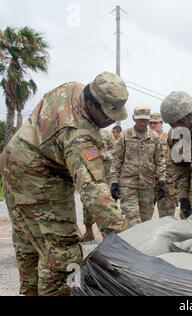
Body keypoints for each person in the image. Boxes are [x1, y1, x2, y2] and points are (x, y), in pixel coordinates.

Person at [0, 72, 130, 296]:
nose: (112, 120)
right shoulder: (77, 134)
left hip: (11, 163)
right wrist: (125, 238)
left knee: (30, 242)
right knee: (63, 250)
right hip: (38, 175)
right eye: (108, 114)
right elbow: (93, 190)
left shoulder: (75, 88)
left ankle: (32, 290)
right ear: (91, 103)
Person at [111, 107, 166, 227]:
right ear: (134, 119)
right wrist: (114, 181)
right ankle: (131, 244)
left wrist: (162, 181)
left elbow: (159, 160)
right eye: (140, 120)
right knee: (133, 219)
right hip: (128, 184)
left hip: (147, 185)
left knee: (145, 221)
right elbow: (116, 160)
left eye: (146, 120)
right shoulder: (125, 135)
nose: (143, 123)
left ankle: (139, 244)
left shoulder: (154, 137)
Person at [82, 128, 117, 242]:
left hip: (106, 176)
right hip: (89, 175)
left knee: (107, 204)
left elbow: (115, 151)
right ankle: (88, 231)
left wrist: (102, 155)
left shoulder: (107, 134)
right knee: (87, 204)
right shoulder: (84, 133)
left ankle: (109, 235)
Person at [149, 113, 178, 217]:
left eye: (155, 123)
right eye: (150, 123)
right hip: (149, 184)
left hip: (167, 184)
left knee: (167, 219)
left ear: (161, 123)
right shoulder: (145, 139)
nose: (152, 125)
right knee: (143, 219)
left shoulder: (170, 139)